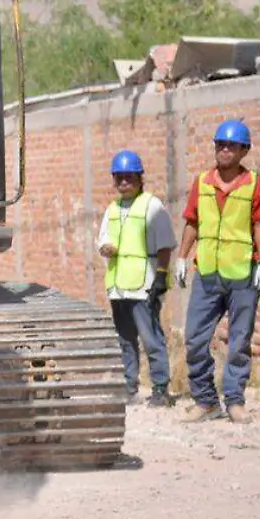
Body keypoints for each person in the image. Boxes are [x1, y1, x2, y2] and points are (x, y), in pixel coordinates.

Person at [172, 120, 260, 424]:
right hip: (208, 274)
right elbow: (192, 221)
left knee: (239, 341)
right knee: (194, 338)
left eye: (231, 146)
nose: (224, 150)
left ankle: (234, 400)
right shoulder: (202, 182)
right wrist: (181, 256)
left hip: (242, 273)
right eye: (220, 145)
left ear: (244, 150)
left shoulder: (255, 183)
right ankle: (205, 401)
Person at [98, 150, 176, 407]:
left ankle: (161, 389)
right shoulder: (111, 209)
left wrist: (162, 277)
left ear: (140, 178)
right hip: (119, 287)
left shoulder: (152, 206)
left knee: (151, 339)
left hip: (143, 285)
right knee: (125, 340)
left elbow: (165, 245)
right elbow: (103, 240)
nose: (123, 182)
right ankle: (129, 387)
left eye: (128, 177)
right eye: (119, 177)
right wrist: (106, 248)